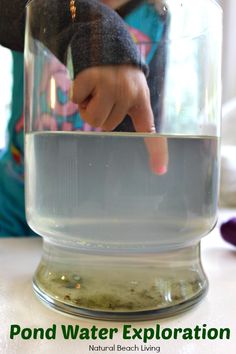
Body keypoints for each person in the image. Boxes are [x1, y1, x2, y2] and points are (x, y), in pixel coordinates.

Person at [0, 0, 168, 236]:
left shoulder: (154, 16)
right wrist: (94, 26)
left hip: (97, 213)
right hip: (14, 198)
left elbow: (146, 116)